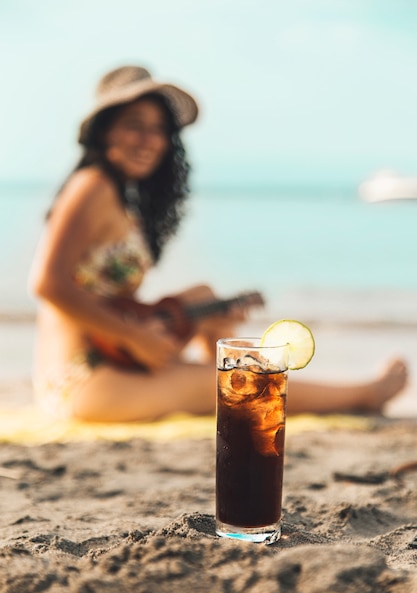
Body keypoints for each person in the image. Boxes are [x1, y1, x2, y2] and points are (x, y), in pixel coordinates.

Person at [29, 65, 408, 423]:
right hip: (80, 380)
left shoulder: (118, 195)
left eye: (160, 129)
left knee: (204, 298)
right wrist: (134, 336)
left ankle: (219, 377)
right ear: (104, 131)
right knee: (241, 387)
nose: (150, 140)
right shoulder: (91, 185)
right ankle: (363, 394)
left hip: (119, 357)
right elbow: (48, 283)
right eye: (134, 126)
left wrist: (179, 324)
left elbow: (116, 302)